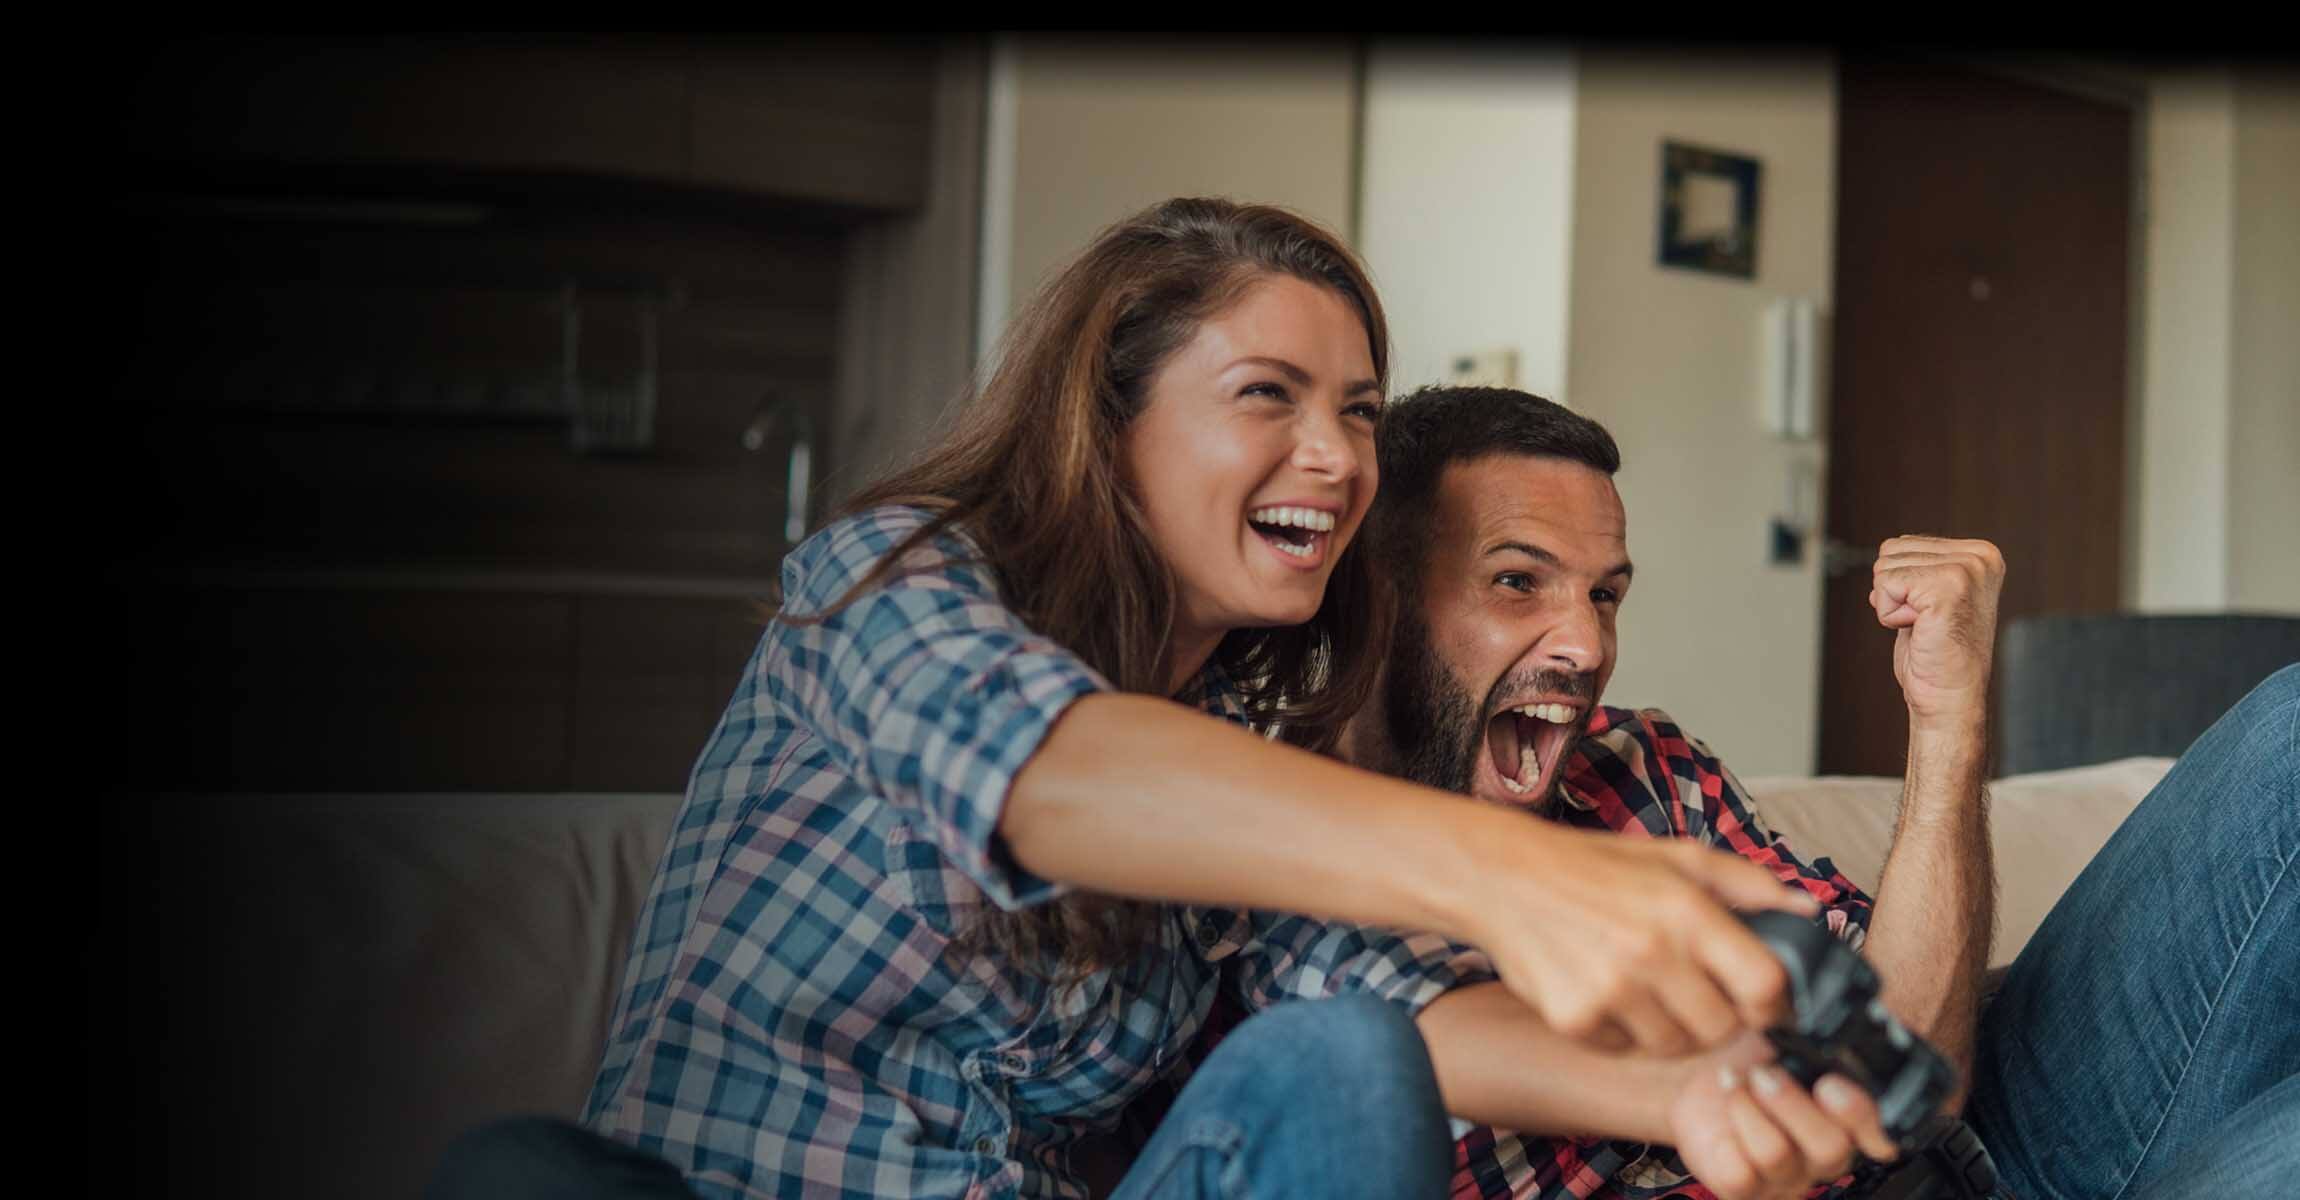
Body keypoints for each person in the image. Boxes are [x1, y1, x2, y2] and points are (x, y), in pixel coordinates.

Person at [431, 200, 1872, 1200]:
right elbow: (1048, 774)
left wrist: (1692, 1096)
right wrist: (1524, 877)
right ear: (1112, 422)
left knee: (1346, 1055)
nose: (1336, 457)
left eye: (1359, 411)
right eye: (1270, 396)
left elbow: (1404, 1014)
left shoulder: (1246, 760)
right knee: (520, 1179)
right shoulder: (885, 584)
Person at [1345, 384, 2299, 1200]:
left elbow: (1916, 1055)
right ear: (1381, 602)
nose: (1587, 646)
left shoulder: (1640, 768)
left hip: (1975, 1144)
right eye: (1518, 582)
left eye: (1605, 595)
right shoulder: (1293, 915)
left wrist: (1947, 717)